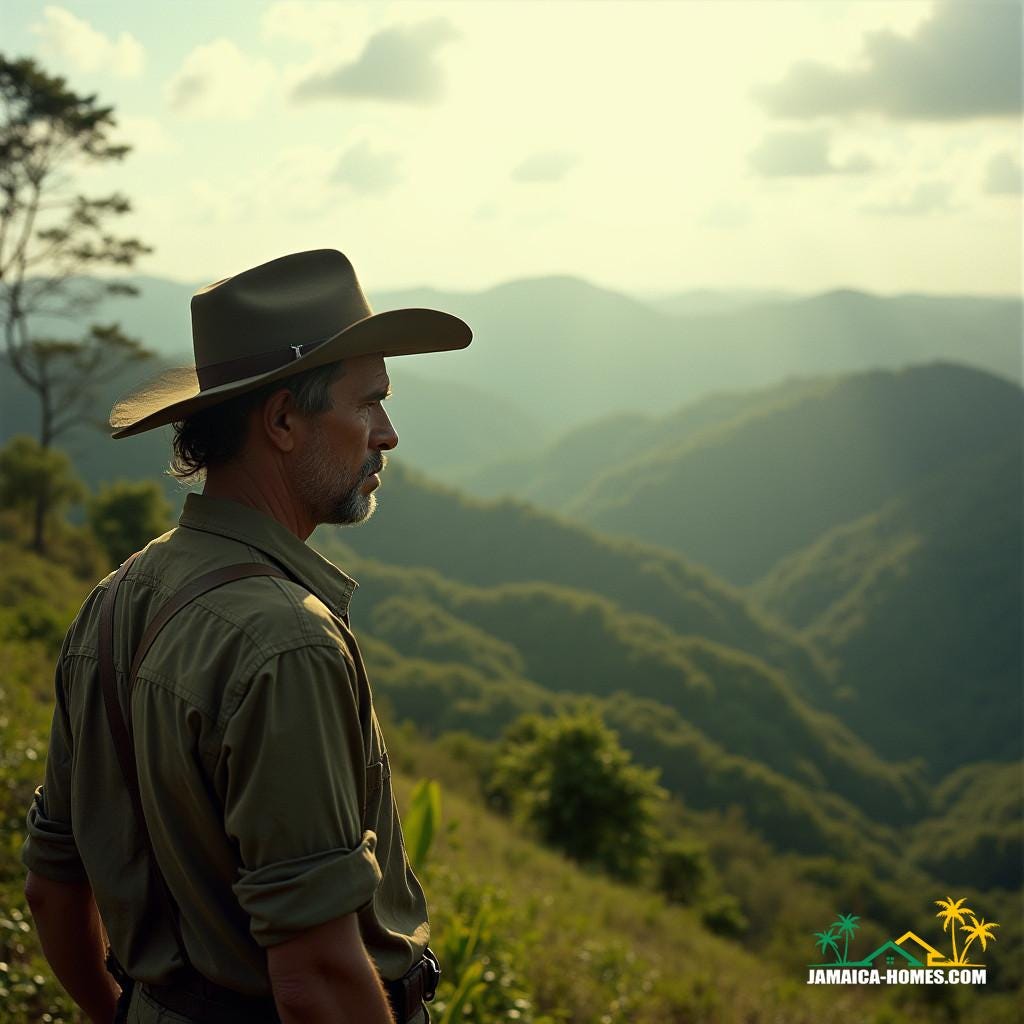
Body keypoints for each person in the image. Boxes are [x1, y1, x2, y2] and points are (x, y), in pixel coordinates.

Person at [21, 249, 473, 1024]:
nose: (388, 434)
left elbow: (51, 887)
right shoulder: (288, 644)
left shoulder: (115, 600)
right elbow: (318, 980)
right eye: (369, 402)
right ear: (283, 421)